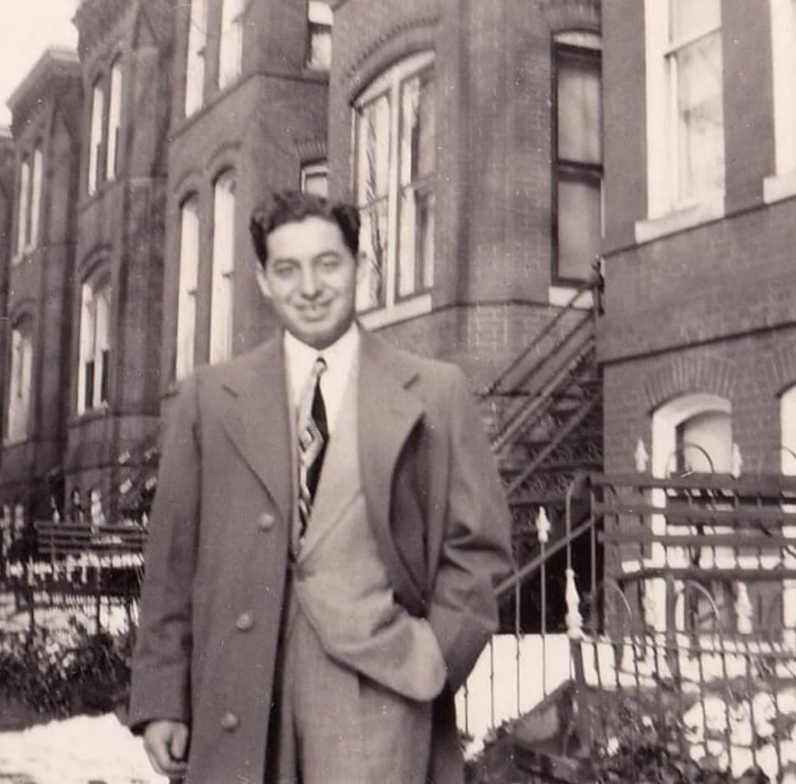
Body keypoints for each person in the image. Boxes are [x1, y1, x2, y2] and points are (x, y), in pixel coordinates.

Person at [127, 190, 513, 784]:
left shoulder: (435, 392)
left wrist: (432, 657)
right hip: (238, 700)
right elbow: (171, 565)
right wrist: (161, 700)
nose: (309, 287)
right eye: (287, 268)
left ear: (359, 265)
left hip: (380, 697)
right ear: (261, 279)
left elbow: (479, 549)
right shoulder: (209, 397)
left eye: (327, 264)